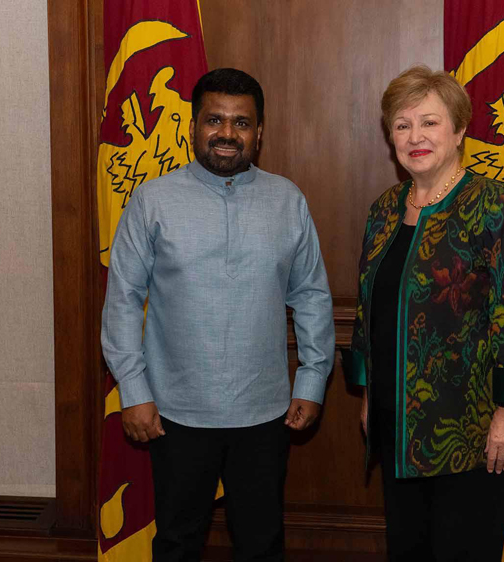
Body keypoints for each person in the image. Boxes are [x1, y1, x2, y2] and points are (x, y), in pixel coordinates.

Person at [101, 68, 335, 562]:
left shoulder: (287, 200)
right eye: (214, 120)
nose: (227, 133)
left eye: (241, 123)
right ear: (193, 126)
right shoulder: (151, 201)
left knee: (261, 543)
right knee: (178, 542)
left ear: (259, 132)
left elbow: (311, 295)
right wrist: (134, 391)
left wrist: (313, 380)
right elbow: (122, 299)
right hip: (175, 412)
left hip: (265, 412)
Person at [346, 65, 504, 561]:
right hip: (397, 425)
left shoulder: (497, 206)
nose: (415, 136)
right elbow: (369, 311)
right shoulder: (383, 210)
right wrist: (370, 394)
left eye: (429, 122)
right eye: (402, 125)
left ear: (459, 131)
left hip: (472, 430)